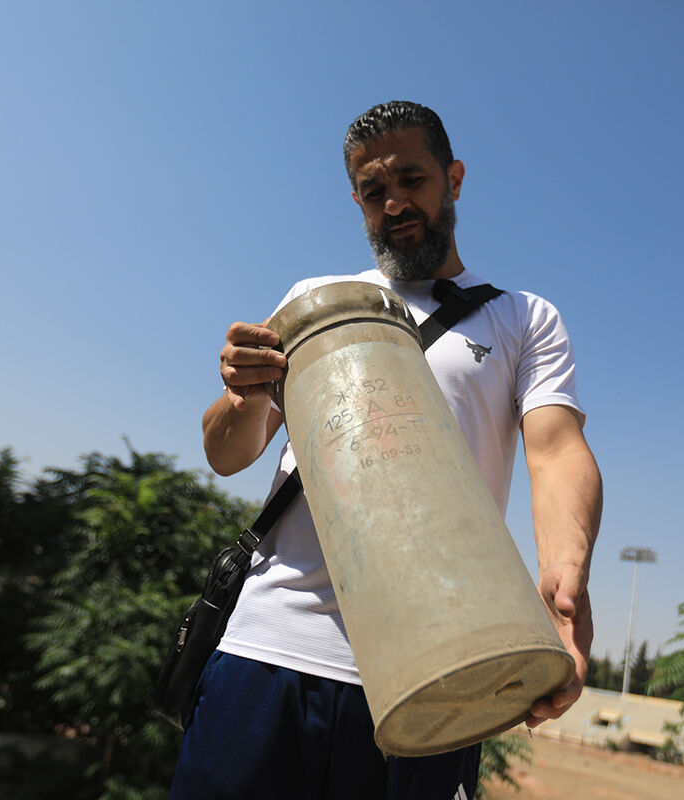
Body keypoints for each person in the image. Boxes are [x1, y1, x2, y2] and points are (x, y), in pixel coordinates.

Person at [172, 101, 602, 800]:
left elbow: (556, 451)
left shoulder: (522, 318)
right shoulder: (316, 299)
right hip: (266, 653)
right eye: (374, 191)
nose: (395, 202)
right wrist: (244, 397)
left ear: (454, 179)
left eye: (413, 179)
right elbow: (229, 453)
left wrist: (565, 567)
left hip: (440, 678)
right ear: (356, 201)